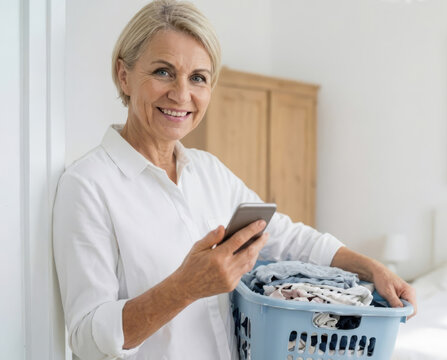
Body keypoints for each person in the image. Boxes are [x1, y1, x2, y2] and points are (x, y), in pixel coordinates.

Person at [53, 1, 416, 359]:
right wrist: (184, 288)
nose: (182, 94)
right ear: (124, 75)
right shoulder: (87, 185)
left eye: (198, 78)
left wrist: (372, 268)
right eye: (163, 72)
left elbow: (286, 237)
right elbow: (86, 338)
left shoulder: (209, 171)